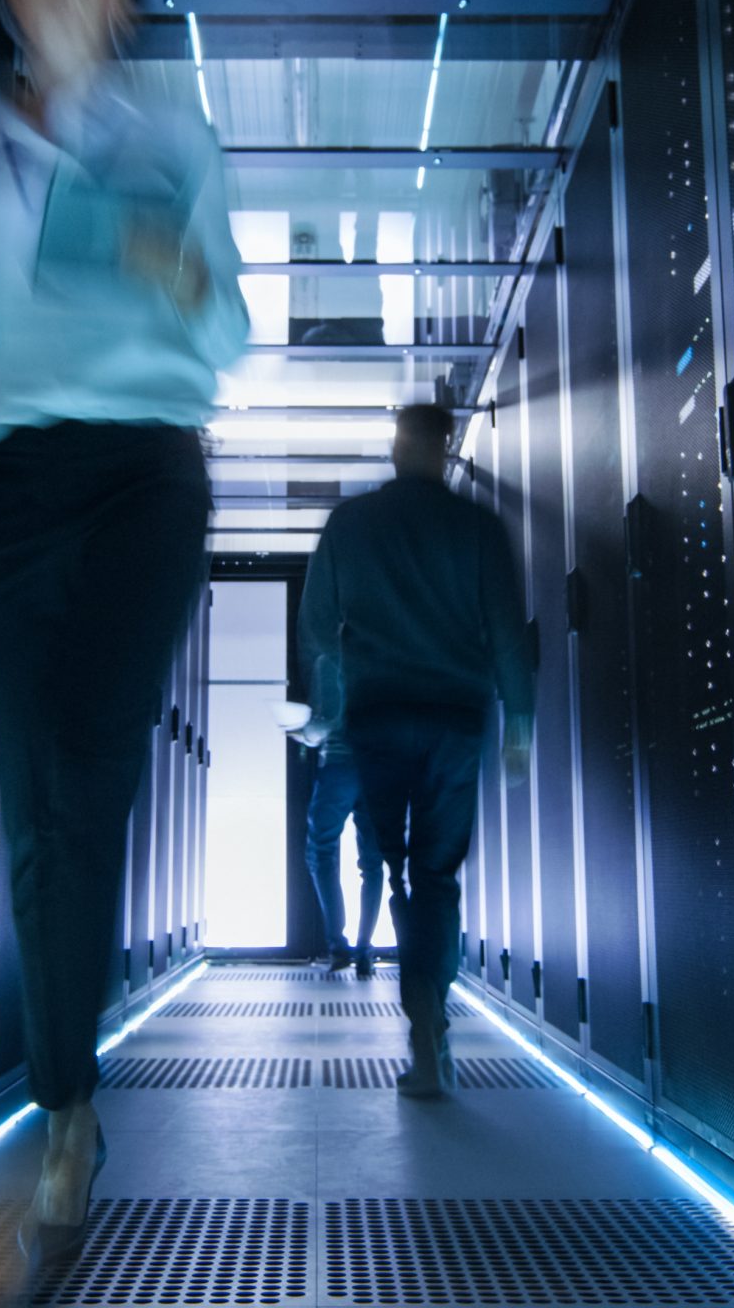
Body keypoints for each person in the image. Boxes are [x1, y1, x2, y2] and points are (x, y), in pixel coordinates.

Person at [0, 0, 248, 1295]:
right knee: (38, 784)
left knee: (88, 764)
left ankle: (61, 1109)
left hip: (148, 471)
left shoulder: (172, 136)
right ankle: (70, 1106)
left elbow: (232, 332)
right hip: (16, 481)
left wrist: (178, 273)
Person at [298, 405, 533, 1097]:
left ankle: (419, 1006)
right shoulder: (480, 528)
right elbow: (506, 633)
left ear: (395, 447)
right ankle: (430, 1005)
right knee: (439, 873)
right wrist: (519, 719)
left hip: (376, 717)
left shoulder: (351, 525)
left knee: (392, 865)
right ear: (447, 446)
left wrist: (329, 711)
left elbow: (316, 627)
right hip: (456, 718)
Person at [296, 651, 387, 975]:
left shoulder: (332, 659)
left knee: (320, 851)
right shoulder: (388, 654)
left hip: (339, 766)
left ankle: (338, 946)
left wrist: (303, 733)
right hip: (379, 768)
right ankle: (365, 949)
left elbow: (328, 720)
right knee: (373, 863)